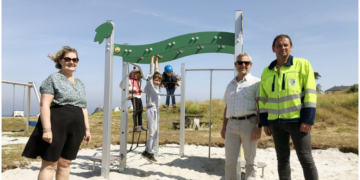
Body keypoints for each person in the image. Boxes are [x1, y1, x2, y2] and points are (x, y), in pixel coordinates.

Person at [22, 46, 91, 180]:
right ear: (60, 61)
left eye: (75, 59)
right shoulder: (52, 79)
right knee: (50, 163)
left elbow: (83, 107)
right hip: (56, 125)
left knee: (65, 162)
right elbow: (45, 105)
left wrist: (87, 129)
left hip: (76, 127)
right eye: (68, 59)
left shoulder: (80, 83)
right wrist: (47, 129)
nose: (72, 62)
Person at [259, 34, 318, 180]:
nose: (282, 48)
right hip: (275, 124)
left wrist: (308, 119)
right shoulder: (266, 71)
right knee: (282, 160)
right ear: (273, 49)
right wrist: (265, 122)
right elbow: (263, 99)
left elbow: (310, 93)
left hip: (297, 121)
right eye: (279, 45)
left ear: (291, 47)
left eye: (286, 45)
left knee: (305, 158)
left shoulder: (302, 64)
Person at [220, 53, 261, 180]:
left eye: (246, 63)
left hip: (249, 124)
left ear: (251, 65)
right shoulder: (230, 84)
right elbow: (227, 106)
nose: (243, 65)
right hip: (231, 125)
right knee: (230, 161)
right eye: (240, 62)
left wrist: (258, 127)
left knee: (250, 160)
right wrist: (224, 127)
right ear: (235, 64)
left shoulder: (256, 83)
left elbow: (261, 107)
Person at [141, 55, 162, 163]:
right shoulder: (150, 86)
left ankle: (148, 151)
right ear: (152, 79)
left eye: (159, 80)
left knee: (156, 133)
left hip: (155, 110)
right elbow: (153, 72)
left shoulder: (157, 88)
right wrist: (152, 59)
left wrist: (157, 61)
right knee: (152, 132)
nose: (157, 82)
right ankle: (149, 152)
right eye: (156, 80)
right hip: (150, 110)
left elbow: (157, 71)